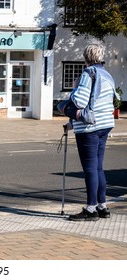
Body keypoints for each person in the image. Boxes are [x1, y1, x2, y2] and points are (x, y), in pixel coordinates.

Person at [67, 43, 117, 221]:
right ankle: (102, 206)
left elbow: (80, 101)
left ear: (86, 57)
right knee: (98, 167)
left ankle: (90, 209)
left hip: (89, 127)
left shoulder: (88, 73)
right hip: (105, 124)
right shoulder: (107, 74)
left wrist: (73, 89)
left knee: (89, 168)